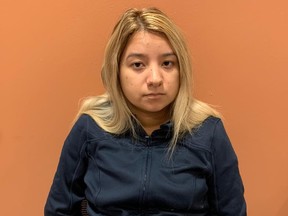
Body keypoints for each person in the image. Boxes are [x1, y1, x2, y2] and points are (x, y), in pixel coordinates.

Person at [45, 7, 246, 216]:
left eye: (167, 63)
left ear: (181, 70)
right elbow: (59, 210)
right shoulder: (90, 128)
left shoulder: (208, 132)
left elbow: (232, 211)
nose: (155, 79)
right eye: (138, 64)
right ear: (117, 71)